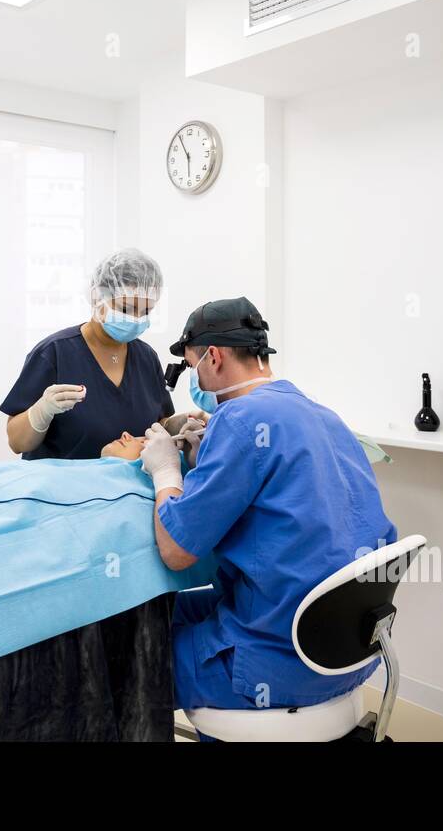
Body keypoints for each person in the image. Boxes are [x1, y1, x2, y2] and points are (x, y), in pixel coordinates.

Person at [138, 297, 398, 719]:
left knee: (132, 657)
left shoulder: (239, 421)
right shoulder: (321, 414)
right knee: (157, 612)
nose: (195, 379)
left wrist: (166, 471)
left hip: (275, 660)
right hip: (345, 651)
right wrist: (209, 460)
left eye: (192, 365)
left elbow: (175, 550)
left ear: (214, 357)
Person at [1, 248, 196, 460]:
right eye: (126, 309)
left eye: (145, 311)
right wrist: (42, 412)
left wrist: (180, 424)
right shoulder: (54, 353)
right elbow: (17, 443)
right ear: (98, 298)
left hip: (124, 488)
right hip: (60, 489)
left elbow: (158, 423)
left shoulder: (146, 357)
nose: (136, 319)